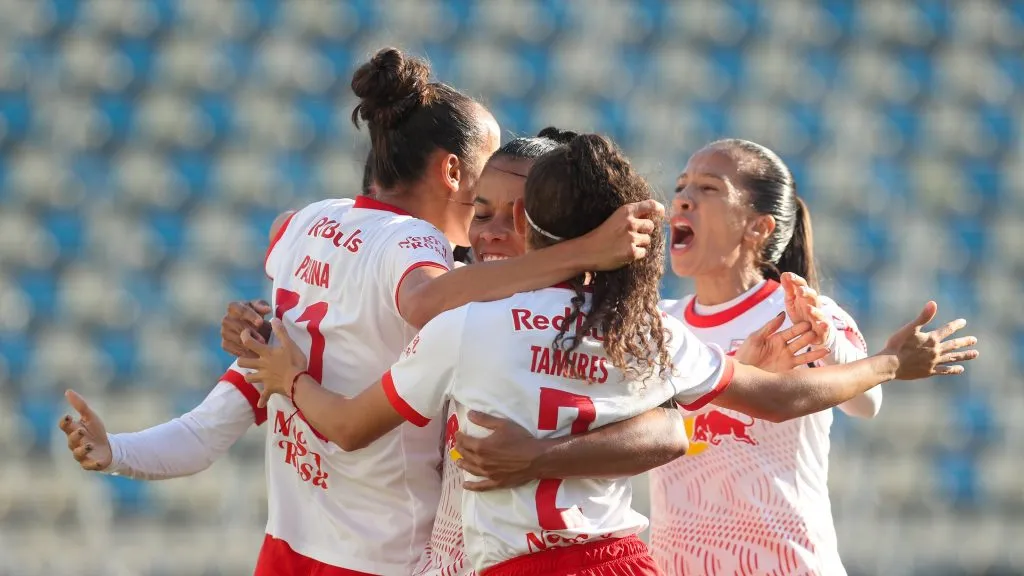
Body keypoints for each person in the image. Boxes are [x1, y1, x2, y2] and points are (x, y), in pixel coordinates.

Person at [236, 133, 977, 576]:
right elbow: (693, 424)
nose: (488, 231)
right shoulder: (651, 326)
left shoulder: (465, 326)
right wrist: (887, 364)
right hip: (625, 558)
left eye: (506, 217)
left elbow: (350, 423)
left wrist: (286, 374)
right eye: (678, 188)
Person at [57, 48, 664, 576]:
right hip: (387, 557)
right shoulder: (418, 252)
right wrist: (585, 252)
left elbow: (212, 423)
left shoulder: (300, 228)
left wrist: (118, 452)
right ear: (453, 171)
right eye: (482, 195)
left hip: (287, 547)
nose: (489, 219)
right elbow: (423, 303)